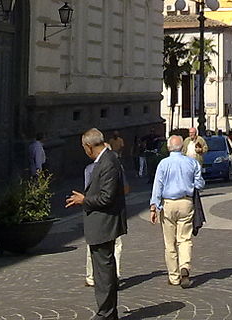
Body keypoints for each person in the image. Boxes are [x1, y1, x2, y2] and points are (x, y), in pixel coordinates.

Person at [66, 128, 127, 320]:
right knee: (103, 270)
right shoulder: (106, 159)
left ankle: (106, 313)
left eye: (84, 147)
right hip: (101, 224)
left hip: (104, 224)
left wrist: (84, 200)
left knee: (103, 272)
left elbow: (107, 197)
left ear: (89, 146)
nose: (85, 151)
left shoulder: (108, 162)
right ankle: (109, 312)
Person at [148, 134, 205, 287]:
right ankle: (184, 266)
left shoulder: (163, 164)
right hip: (186, 202)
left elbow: (157, 186)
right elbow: (200, 183)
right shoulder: (192, 162)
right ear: (182, 147)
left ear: (168, 147)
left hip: (168, 204)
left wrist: (154, 206)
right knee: (184, 238)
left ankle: (174, 276)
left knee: (169, 242)